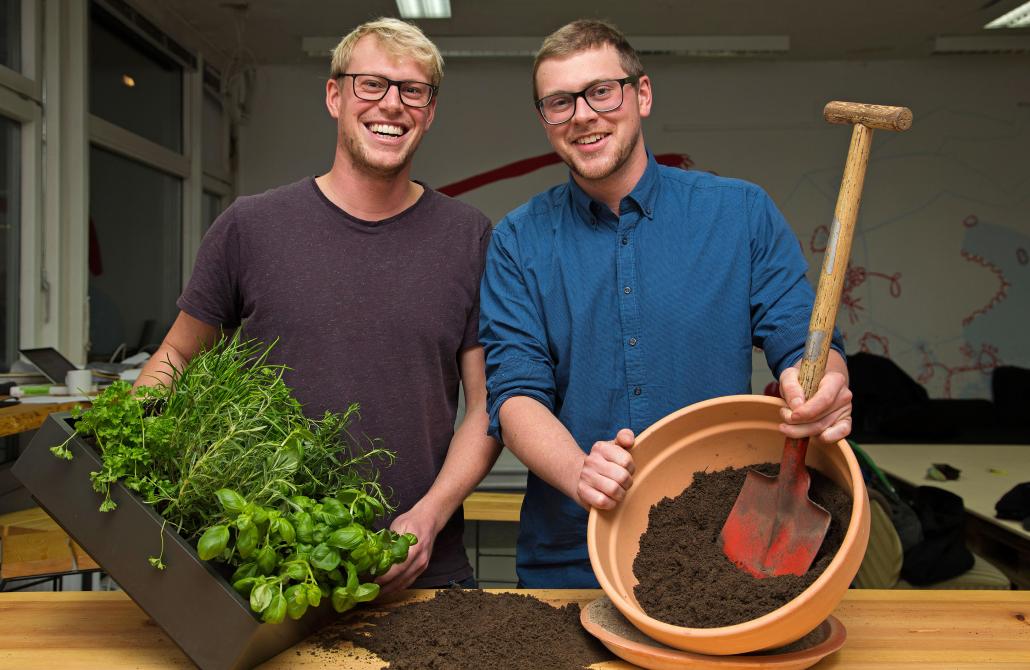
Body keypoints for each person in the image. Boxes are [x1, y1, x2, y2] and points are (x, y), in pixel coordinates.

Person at [478, 20, 853, 588]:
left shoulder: (740, 213)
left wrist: (820, 384)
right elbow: (513, 393)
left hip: (725, 558)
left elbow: (802, 340)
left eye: (601, 90)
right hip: (573, 558)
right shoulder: (517, 241)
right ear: (546, 119)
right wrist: (582, 471)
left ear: (641, 94)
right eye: (560, 102)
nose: (582, 114)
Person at [135, 18, 500, 594]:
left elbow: (486, 405)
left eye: (413, 91)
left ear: (429, 112)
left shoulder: (468, 236)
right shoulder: (250, 226)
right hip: (270, 570)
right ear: (335, 95)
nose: (392, 105)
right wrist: (127, 458)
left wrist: (430, 517)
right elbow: (177, 355)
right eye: (371, 84)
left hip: (421, 564)